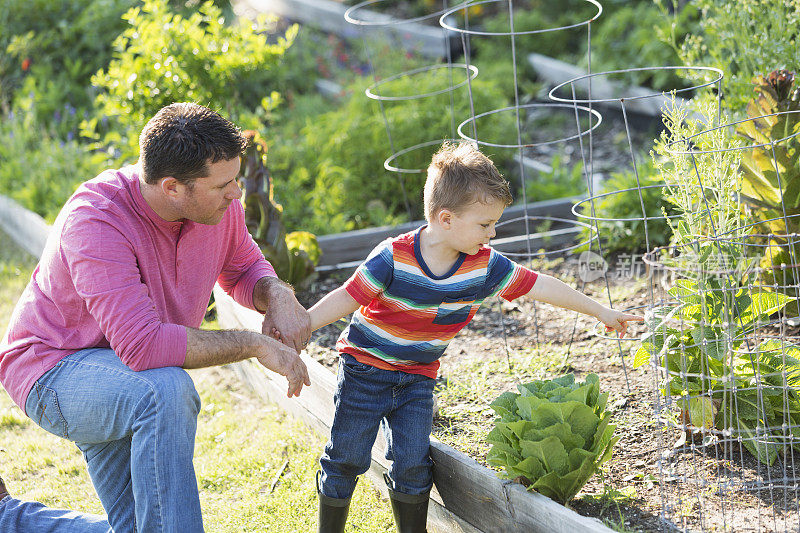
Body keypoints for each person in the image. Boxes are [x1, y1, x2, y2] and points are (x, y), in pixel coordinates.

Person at [0, 102, 312, 533]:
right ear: (172, 188)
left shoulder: (215, 207)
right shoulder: (96, 221)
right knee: (164, 391)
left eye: (235, 179)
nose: (236, 193)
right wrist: (255, 344)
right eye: (223, 184)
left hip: (125, 375)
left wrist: (277, 292)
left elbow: (242, 269)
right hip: (55, 370)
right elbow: (143, 346)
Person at [304, 141, 642, 533]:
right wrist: (302, 326)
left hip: (417, 380)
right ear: (446, 219)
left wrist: (601, 310)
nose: (493, 233)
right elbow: (348, 297)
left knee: (413, 464)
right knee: (346, 458)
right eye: (485, 224)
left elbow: (541, 285)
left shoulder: (484, 266)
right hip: (365, 371)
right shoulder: (392, 257)